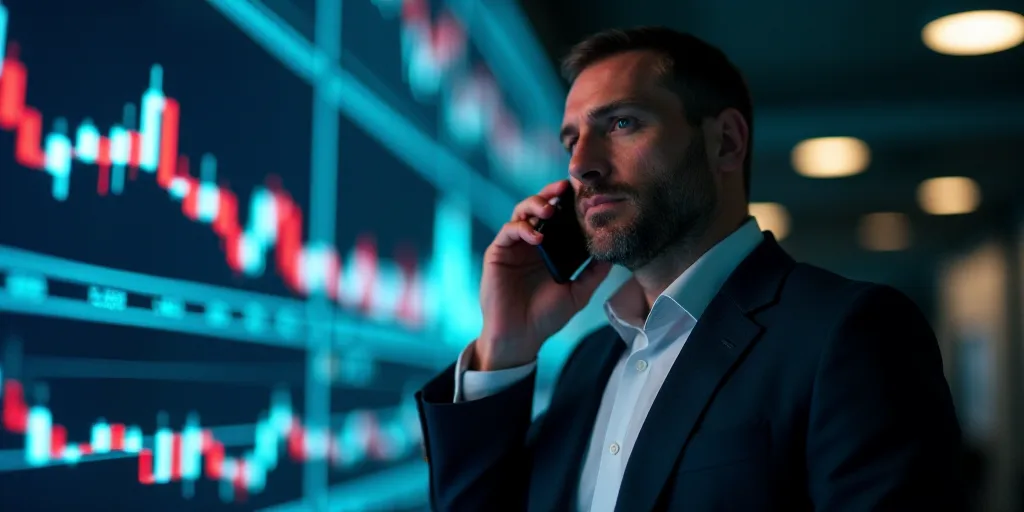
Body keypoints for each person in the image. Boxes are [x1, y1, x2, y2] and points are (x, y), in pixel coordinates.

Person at [414, 26, 964, 511]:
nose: (582, 165)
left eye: (623, 122)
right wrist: (505, 347)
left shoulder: (851, 333)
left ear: (725, 142)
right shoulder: (590, 363)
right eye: (572, 140)